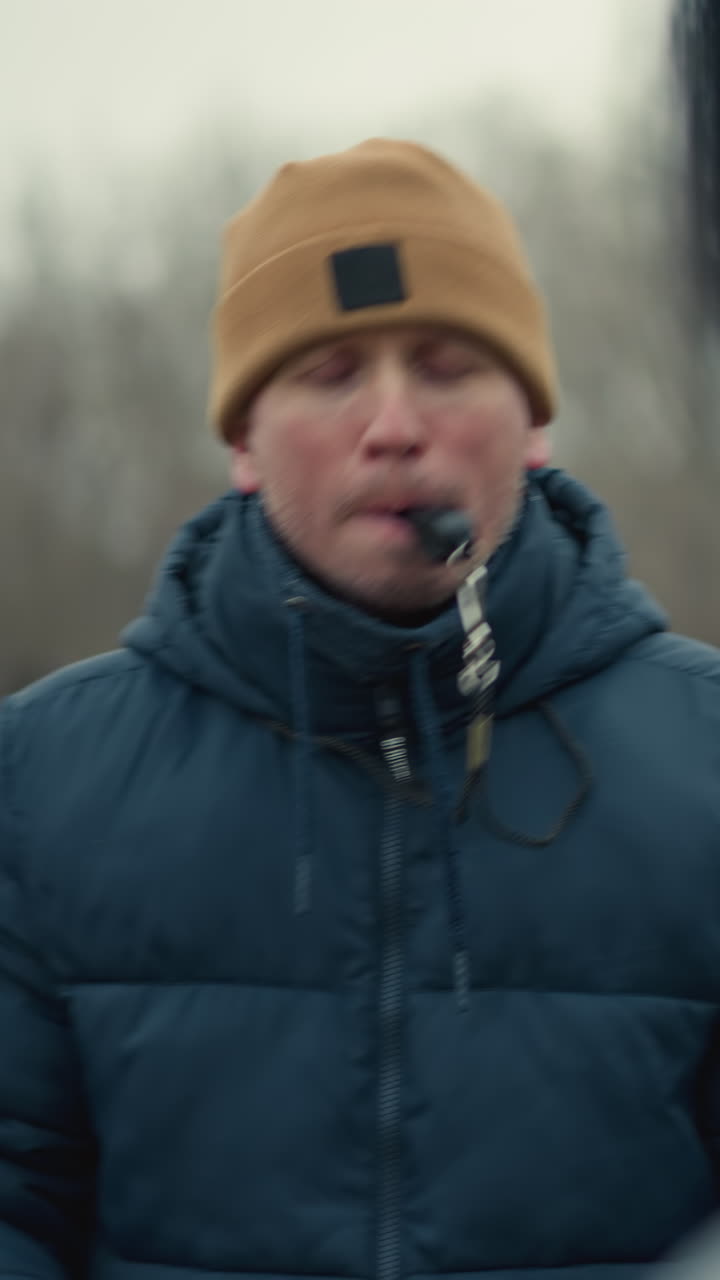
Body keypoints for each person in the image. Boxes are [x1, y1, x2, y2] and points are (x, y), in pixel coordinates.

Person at [1, 137, 719, 1280]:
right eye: (331, 374)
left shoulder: (705, 755)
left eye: (445, 365)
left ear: (535, 422)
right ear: (242, 439)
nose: (392, 425)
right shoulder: (40, 779)